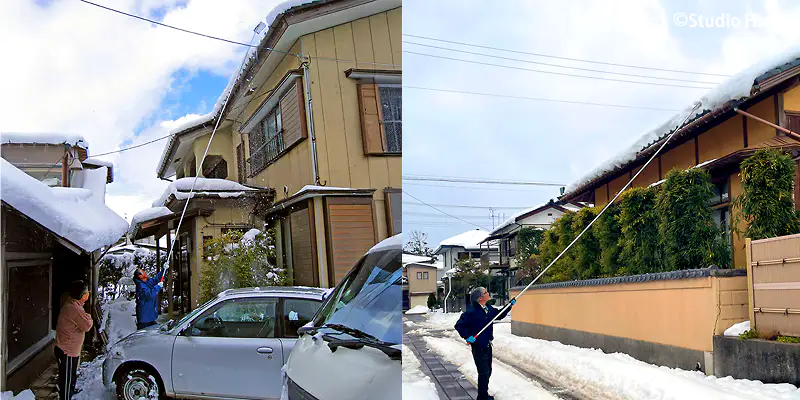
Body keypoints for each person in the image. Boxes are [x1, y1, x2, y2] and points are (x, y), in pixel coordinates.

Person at [454, 287, 516, 400]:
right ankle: (482, 397)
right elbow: (459, 325)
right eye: (486, 292)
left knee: (488, 371)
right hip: (478, 346)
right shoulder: (472, 312)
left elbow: (499, 315)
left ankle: (483, 394)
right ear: (480, 298)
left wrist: (509, 306)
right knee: (483, 373)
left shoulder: (488, 308)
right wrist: (468, 336)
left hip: (487, 344)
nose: (488, 293)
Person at [54, 280, 93, 400]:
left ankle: (70, 391)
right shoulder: (74, 309)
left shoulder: (74, 305)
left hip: (68, 349)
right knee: (67, 377)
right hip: (67, 351)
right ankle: (66, 396)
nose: (88, 294)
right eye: (87, 292)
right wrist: (89, 317)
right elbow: (87, 325)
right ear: (82, 296)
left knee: (70, 375)